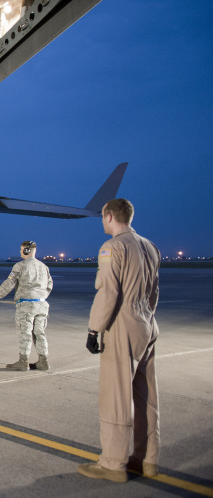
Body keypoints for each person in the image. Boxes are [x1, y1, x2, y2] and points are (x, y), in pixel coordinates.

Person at [77, 199, 160, 483]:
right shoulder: (150, 246)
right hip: (147, 322)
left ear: (109, 216)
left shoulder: (112, 247)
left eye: (103, 217)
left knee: (116, 396)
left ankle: (113, 464)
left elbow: (109, 293)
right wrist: (145, 319)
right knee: (145, 395)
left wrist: (94, 329)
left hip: (123, 324)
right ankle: (146, 460)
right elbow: (154, 292)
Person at [0, 241, 53, 371]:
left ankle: (23, 362)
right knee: (39, 333)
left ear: (26, 251)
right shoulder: (44, 266)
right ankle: (43, 361)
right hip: (42, 304)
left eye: (21, 249)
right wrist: (40, 297)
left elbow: (9, 283)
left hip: (26, 306)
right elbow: (49, 286)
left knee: (25, 333)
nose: (20, 251)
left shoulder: (20, 266)